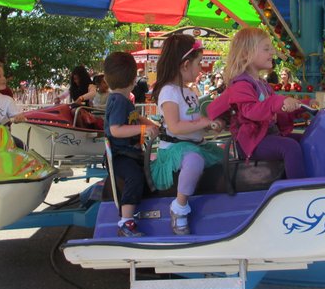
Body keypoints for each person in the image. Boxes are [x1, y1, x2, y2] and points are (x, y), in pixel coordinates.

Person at [207, 27, 306, 179]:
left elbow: (277, 110)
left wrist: (301, 107)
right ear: (246, 54)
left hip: (267, 135)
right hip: (252, 140)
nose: (272, 52)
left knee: (306, 141)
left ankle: (313, 180)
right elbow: (252, 111)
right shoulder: (240, 85)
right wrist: (276, 102)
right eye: (266, 49)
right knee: (290, 147)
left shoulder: (262, 83)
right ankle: (298, 191)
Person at [151, 34, 225, 235]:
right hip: (175, 148)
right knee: (194, 161)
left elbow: (194, 122)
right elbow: (174, 127)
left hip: (193, 143)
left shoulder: (190, 92)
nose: (201, 68)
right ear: (185, 65)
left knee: (223, 155)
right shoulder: (169, 92)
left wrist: (210, 125)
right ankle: (179, 207)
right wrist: (201, 122)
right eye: (199, 63)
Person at [102, 52, 159, 237]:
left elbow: (135, 117)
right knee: (134, 176)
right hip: (120, 154)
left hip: (130, 152)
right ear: (134, 79)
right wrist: (143, 130)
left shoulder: (124, 99)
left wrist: (153, 125)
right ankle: (126, 222)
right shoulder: (118, 100)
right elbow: (116, 129)